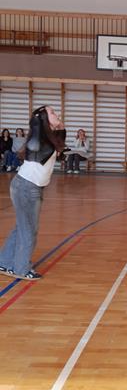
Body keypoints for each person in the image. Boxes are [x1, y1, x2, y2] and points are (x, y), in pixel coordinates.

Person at [0, 106, 66, 281]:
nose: (57, 114)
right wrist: (37, 118)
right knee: (28, 230)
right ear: (42, 119)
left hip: (32, 187)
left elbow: (60, 141)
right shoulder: (37, 139)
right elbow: (39, 134)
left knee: (22, 227)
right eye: (52, 112)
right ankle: (21, 269)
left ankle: (4, 261)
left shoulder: (49, 138)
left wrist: (59, 125)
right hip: (26, 187)